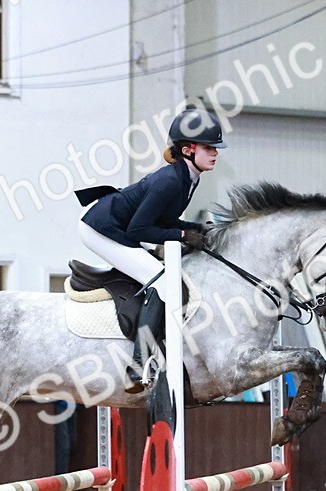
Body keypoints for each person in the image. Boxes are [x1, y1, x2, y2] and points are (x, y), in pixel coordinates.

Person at [76, 108, 226, 390]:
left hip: (118, 226)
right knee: (162, 282)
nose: (215, 153)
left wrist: (196, 227)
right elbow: (139, 230)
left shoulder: (187, 177)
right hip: (101, 229)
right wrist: (182, 234)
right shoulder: (170, 180)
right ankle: (138, 364)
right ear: (188, 149)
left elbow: (163, 220)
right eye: (209, 147)